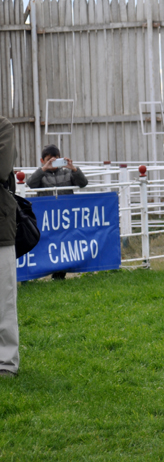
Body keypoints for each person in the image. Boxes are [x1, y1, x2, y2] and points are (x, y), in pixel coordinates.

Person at [27, 144, 88, 279]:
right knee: (49, 243)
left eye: (56, 159)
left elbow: (83, 183)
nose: (53, 162)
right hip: (48, 217)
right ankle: (49, 271)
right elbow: (30, 184)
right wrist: (43, 169)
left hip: (66, 216)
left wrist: (74, 169)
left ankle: (60, 274)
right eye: (49, 159)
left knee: (66, 242)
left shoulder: (67, 172)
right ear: (42, 160)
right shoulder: (41, 174)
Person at [0, 116, 19, 378]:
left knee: (3, 299)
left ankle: (6, 363)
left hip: (1, 230)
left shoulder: (3, 126)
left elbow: (1, 167)